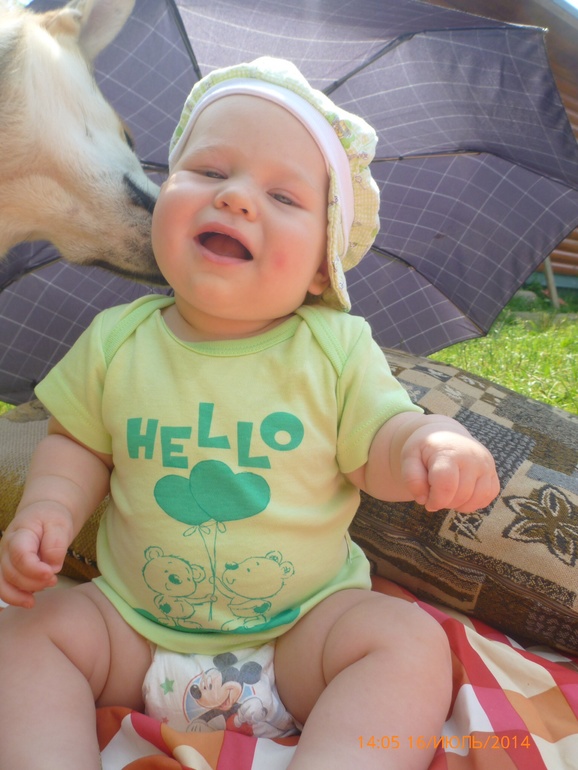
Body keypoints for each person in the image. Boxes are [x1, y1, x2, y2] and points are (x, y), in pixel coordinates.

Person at [0, 57, 500, 769]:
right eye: (208, 171)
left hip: (301, 639)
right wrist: (47, 511)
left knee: (408, 642)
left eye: (282, 196)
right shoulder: (117, 339)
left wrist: (431, 442)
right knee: (22, 637)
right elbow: (77, 445)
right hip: (132, 631)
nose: (234, 198)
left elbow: (381, 441)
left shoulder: (333, 347)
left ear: (323, 265)